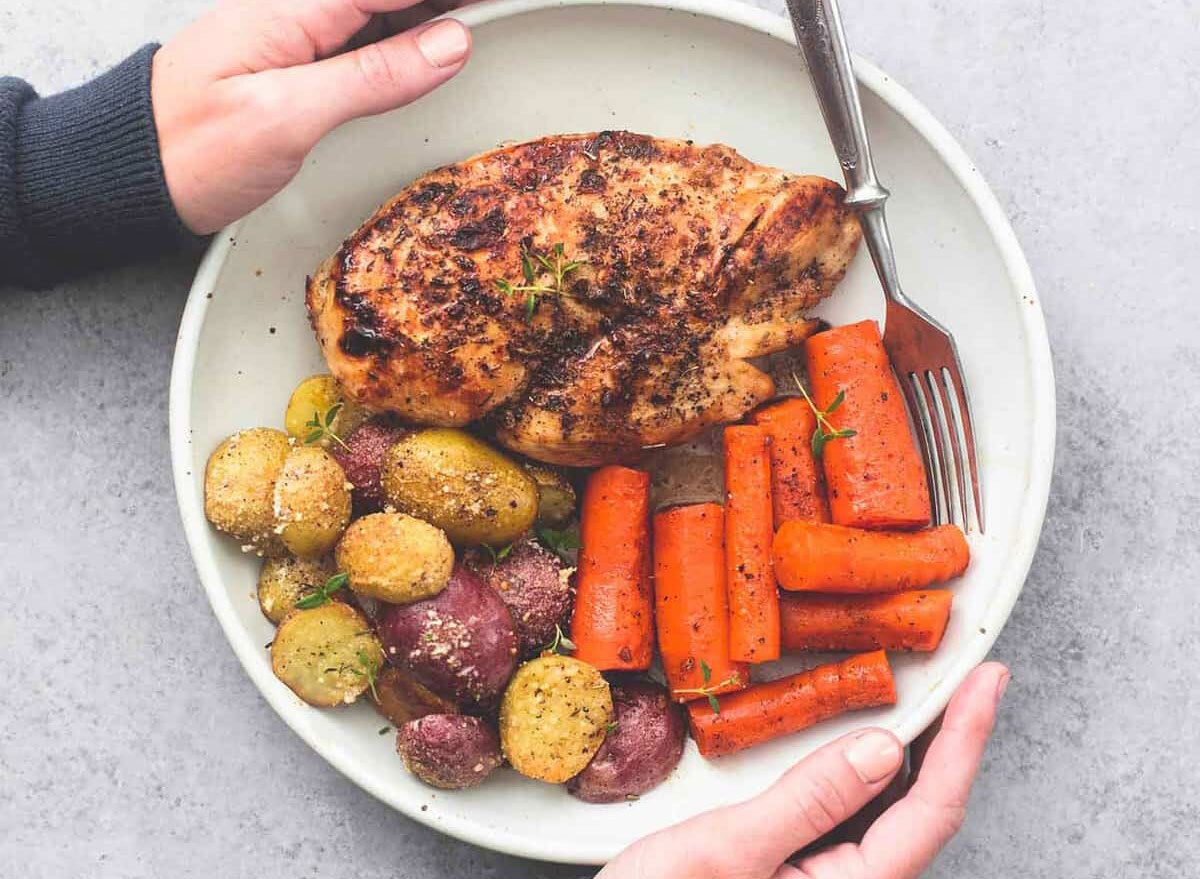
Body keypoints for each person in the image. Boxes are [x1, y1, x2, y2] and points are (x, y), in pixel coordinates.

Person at [0, 2, 1009, 875]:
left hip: (594, 278)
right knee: (539, 398)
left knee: (588, 362)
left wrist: (67, 167)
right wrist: (76, 167)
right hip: (455, 325)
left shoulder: (763, 239)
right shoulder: (453, 383)